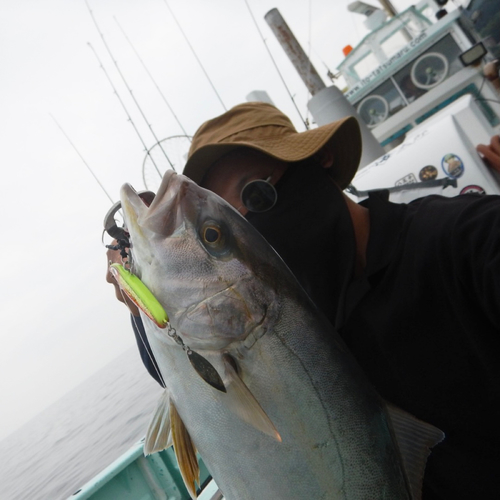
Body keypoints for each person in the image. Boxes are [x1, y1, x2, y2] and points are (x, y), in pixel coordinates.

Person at [107, 102, 500, 499]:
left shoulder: (464, 240)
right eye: (233, 217)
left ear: (320, 159)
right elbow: (208, 379)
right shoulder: (294, 312)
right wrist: (144, 302)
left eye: (254, 195)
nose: (254, 222)